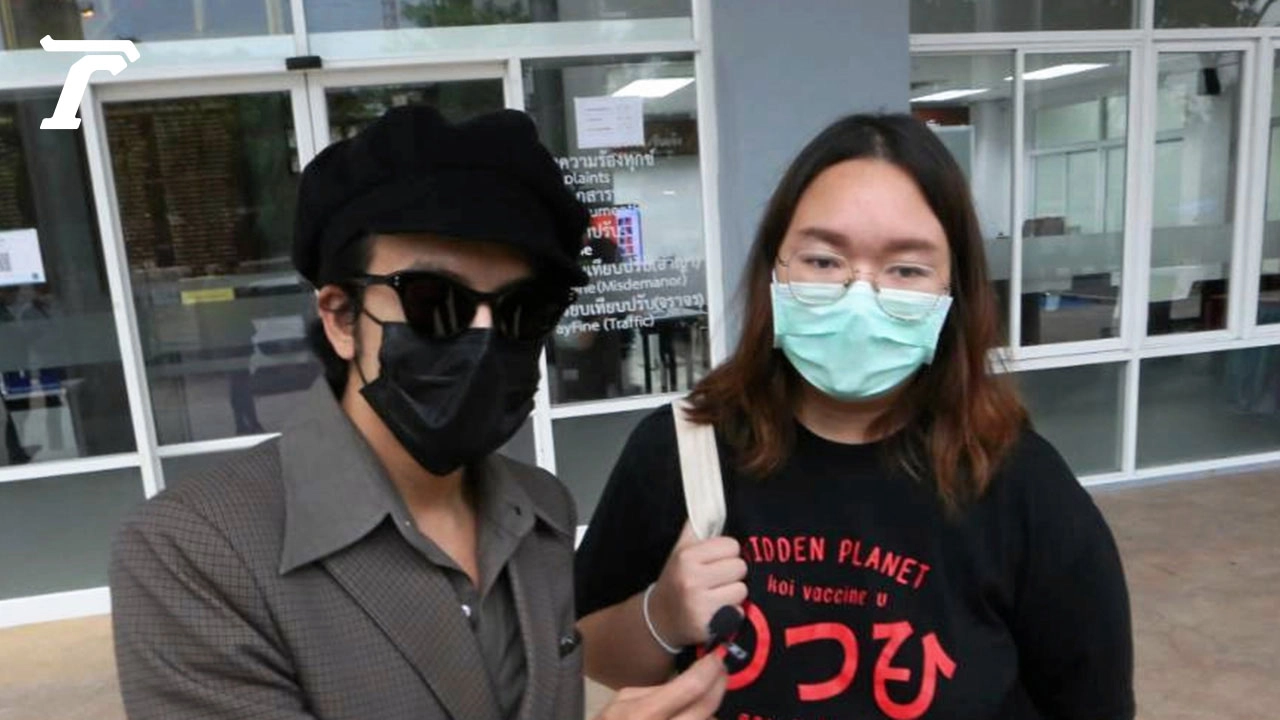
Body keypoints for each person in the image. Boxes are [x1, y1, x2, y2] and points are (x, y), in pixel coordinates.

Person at [110, 105, 726, 720]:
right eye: (435, 301)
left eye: (523, 310)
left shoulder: (543, 513)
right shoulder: (194, 553)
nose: (483, 336)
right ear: (341, 318)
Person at [574, 114, 1135, 720]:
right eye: (823, 260)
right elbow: (586, 652)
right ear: (773, 270)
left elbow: (1093, 704)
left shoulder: (1020, 483)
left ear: (954, 292)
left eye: (907, 269)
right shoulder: (680, 451)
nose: (859, 296)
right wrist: (660, 616)